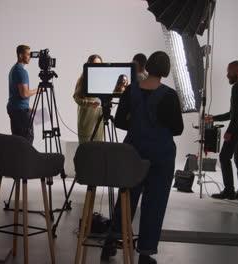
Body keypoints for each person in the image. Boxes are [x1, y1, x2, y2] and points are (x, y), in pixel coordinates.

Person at [101, 51, 184, 264]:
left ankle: (112, 240)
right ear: (165, 70)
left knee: (126, 196)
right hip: (161, 153)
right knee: (154, 202)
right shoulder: (169, 95)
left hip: (133, 151)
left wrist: (138, 127)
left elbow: (119, 121)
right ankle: (145, 253)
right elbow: (178, 129)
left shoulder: (130, 90)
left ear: (148, 67)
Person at [206, 61, 238, 200]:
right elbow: (232, 113)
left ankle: (229, 191)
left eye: (230, 72)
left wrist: (230, 131)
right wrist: (213, 118)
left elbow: (237, 115)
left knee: (224, 157)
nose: (227, 75)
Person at [7, 45, 39, 144]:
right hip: (20, 112)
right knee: (27, 141)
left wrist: (29, 108)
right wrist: (38, 90)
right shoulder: (21, 71)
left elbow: (16, 94)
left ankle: (17, 159)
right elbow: (24, 94)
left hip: (14, 108)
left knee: (17, 142)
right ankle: (25, 159)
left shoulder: (14, 69)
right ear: (21, 56)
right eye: (28, 54)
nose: (30, 57)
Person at [73, 54, 104, 143]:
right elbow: (76, 98)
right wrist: (89, 103)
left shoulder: (103, 79)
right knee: (86, 148)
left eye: (99, 64)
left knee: (98, 148)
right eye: (94, 64)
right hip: (86, 119)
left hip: (99, 119)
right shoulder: (83, 80)